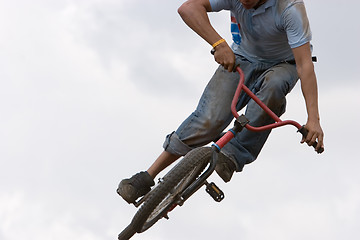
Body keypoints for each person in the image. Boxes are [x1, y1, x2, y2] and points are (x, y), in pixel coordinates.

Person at [117, 0, 325, 204]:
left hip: (283, 64)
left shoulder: (289, 8)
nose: (243, 3)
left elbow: (305, 66)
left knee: (273, 88)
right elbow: (188, 8)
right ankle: (146, 177)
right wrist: (219, 44)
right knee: (209, 120)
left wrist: (313, 119)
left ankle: (233, 155)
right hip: (243, 56)